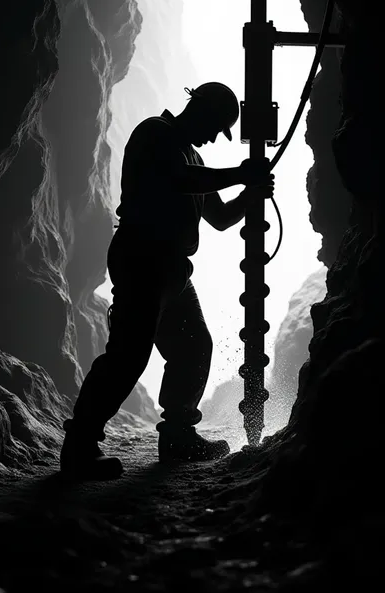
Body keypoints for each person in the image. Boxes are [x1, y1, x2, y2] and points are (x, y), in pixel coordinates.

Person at [60, 82, 275, 479]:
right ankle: (79, 446)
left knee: (194, 347)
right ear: (200, 109)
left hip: (172, 267)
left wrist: (251, 193)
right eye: (217, 126)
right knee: (128, 355)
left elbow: (222, 218)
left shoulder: (192, 156)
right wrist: (239, 174)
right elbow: (179, 180)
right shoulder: (154, 134)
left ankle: (177, 435)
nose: (215, 138)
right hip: (142, 257)